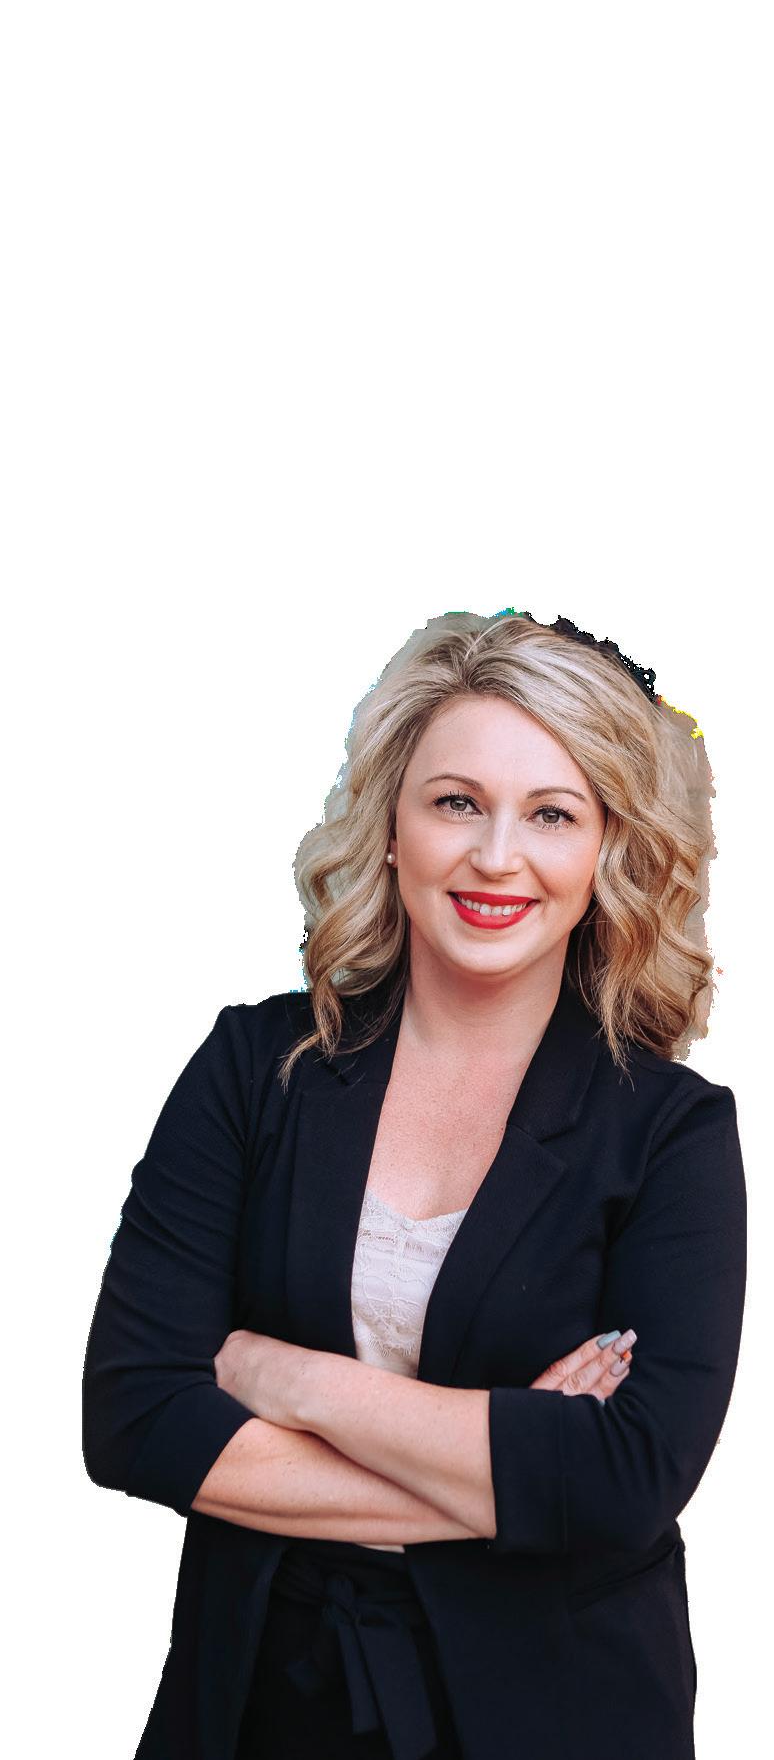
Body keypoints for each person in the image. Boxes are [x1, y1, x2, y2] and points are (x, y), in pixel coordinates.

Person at [81, 609, 745, 1760]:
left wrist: (286, 1378)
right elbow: (136, 1418)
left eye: (552, 814)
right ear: (392, 825)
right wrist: (516, 1474)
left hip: (561, 1718)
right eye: (456, 803)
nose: (497, 856)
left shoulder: (671, 1131)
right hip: (259, 1704)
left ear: (608, 852)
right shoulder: (254, 1069)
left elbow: (629, 1478)